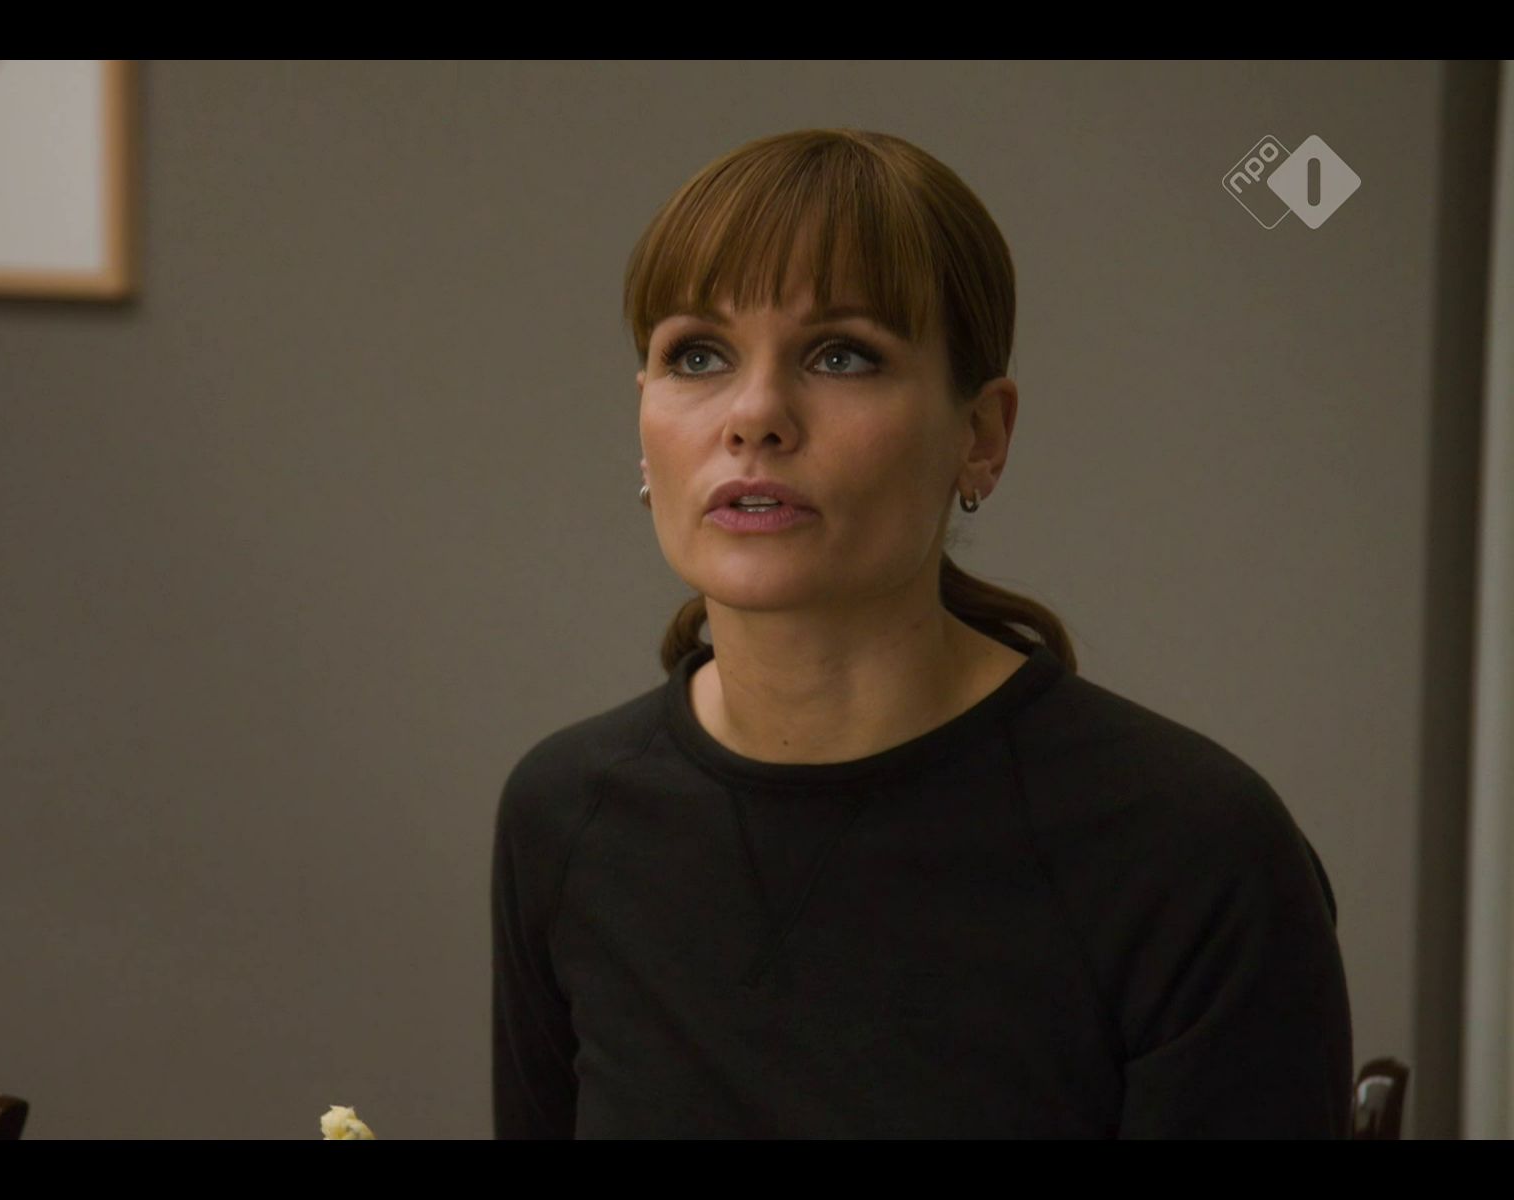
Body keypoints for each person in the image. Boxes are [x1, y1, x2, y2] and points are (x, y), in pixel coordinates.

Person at [489, 128, 1353, 1138]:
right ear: (645, 422)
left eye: (841, 355)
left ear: (980, 436)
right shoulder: (566, 816)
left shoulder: (1194, 850)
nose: (755, 416)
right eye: (699, 356)